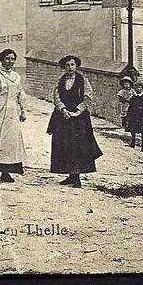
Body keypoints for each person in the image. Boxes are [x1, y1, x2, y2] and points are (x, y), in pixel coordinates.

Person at [47, 55, 102, 187]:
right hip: (63, 117)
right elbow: (56, 96)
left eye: (72, 64)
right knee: (65, 146)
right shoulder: (60, 81)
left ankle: (77, 176)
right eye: (67, 65)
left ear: (76, 65)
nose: (70, 67)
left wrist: (77, 112)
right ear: (64, 67)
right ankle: (71, 175)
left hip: (79, 119)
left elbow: (88, 97)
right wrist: (63, 110)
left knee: (77, 147)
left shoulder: (83, 80)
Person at [0, 49, 27, 183]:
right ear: (1, 61)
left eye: (13, 59)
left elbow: (20, 94)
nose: (10, 61)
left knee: (10, 143)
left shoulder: (16, 77)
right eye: (7, 59)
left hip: (13, 113)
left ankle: (6, 173)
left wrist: (23, 110)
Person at [126, 79, 143, 152]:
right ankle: (133, 143)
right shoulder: (133, 98)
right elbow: (130, 107)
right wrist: (129, 116)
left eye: (140, 87)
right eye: (137, 87)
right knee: (133, 130)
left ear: (142, 88)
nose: (138, 89)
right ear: (134, 89)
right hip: (134, 117)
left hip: (142, 117)